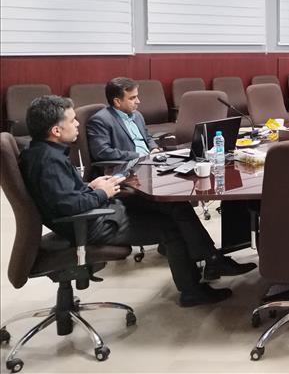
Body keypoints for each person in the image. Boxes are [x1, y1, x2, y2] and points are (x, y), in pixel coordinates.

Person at [21, 96, 255, 307]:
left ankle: (212, 259)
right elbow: (69, 207)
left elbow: (63, 195)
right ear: (56, 130)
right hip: (92, 224)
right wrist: (102, 193)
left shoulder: (45, 152)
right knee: (170, 228)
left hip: (97, 210)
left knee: (173, 204)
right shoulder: (48, 162)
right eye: (72, 120)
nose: (77, 124)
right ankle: (192, 292)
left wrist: (90, 186)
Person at [86, 77, 160, 163]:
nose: (138, 101)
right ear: (117, 102)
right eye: (132, 98)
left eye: (137, 97)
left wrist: (153, 148)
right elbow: (102, 152)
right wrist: (138, 156)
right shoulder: (100, 120)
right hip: (128, 166)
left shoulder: (137, 115)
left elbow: (147, 137)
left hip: (150, 161)